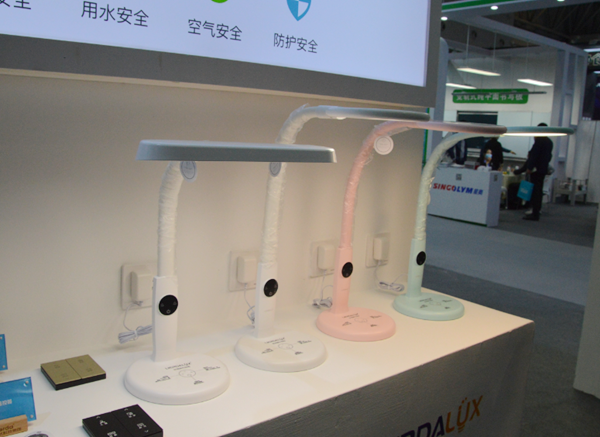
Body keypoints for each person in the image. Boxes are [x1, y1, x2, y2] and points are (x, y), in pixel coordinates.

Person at [514, 123, 553, 221]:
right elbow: (549, 156)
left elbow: (534, 156)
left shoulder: (539, 141)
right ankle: (537, 211)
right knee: (539, 191)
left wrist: (529, 168)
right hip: (543, 170)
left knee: (535, 192)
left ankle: (534, 213)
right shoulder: (549, 142)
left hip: (536, 170)